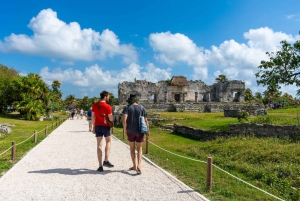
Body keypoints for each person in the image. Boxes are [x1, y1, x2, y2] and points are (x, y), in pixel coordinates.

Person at [122, 96, 150, 174]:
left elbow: (124, 120)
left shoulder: (127, 108)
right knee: (140, 148)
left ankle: (134, 165)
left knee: (132, 149)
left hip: (130, 131)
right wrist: (148, 130)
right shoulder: (142, 108)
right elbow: (146, 120)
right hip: (140, 130)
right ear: (136, 100)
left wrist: (124, 128)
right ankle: (139, 165)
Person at [92, 90, 114, 172]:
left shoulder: (95, 105)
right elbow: (110, 118)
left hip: (97, 126)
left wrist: (93, 127)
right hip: (105, 126)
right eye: (108, 96)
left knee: (99, 145)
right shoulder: (108, 106)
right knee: (108, 142)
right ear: (105, 97)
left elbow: (93, 116)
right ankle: (106, 160)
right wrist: (112, 120)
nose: (109, 98)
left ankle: (100, 166)